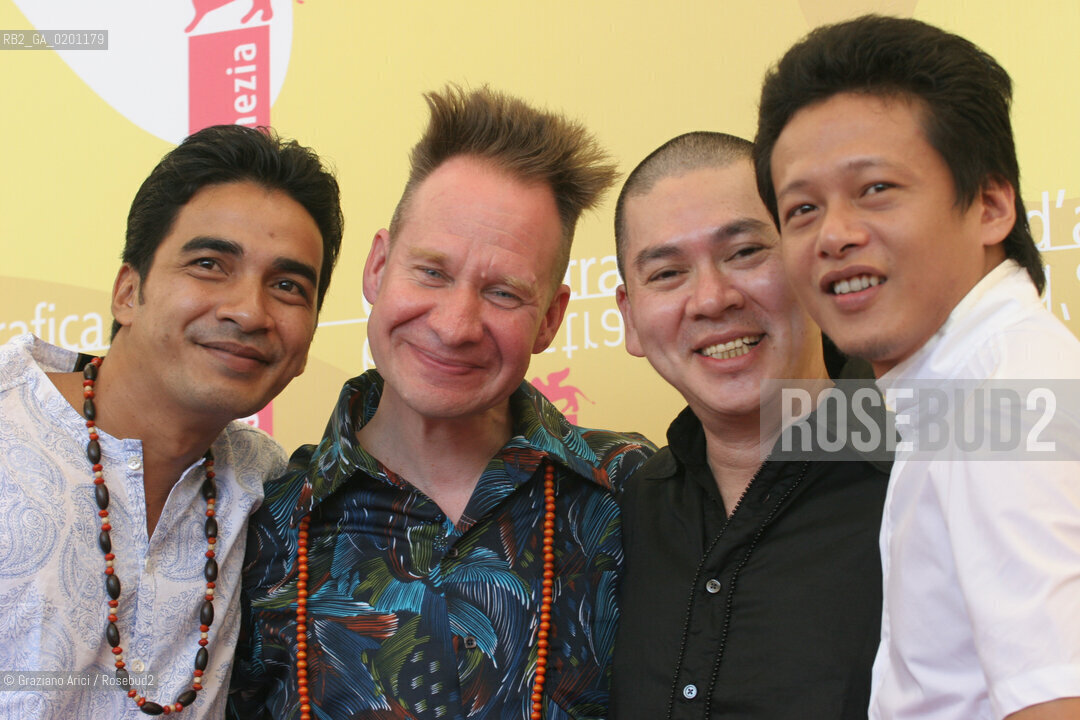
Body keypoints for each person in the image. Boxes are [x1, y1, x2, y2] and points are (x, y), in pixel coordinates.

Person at [229, 86, 655, 720]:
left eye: (504, 293)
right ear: (377, 267)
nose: (456, 324)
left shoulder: (632, 495)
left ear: (551, 319)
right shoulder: (264, 522)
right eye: (430, 271)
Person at [754, 15, 1080, 720]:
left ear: (992, 206)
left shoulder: (1006, 403)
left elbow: (1055, 699)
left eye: (875, 189)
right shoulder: (981, 384)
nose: (836, 234)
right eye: (803, 208)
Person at [0, 124, 343, 718]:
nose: (248, 311)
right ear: (128, 292)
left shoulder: (267, 486)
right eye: (210, 264)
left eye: (287, 286)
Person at [609, 131, 888, 719]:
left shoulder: (938, 472)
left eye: (744, 253)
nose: (711, 299)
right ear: (630, 319)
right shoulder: (619, 514)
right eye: (666, 274)